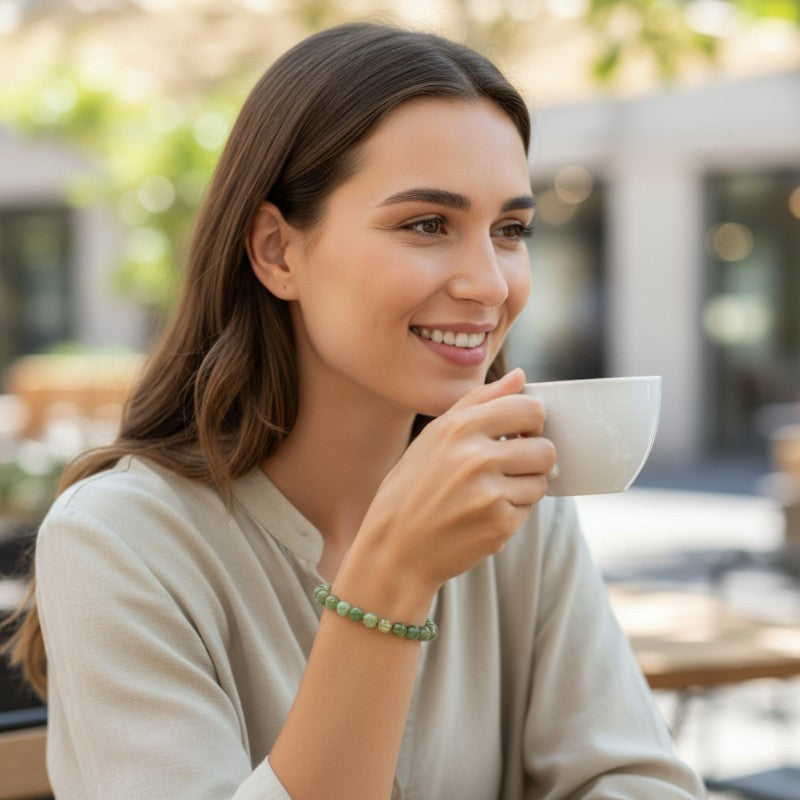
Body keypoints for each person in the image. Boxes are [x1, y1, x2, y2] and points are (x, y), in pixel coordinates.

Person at [5, 21, 705, 800]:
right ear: (276, 251)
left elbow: (639, 784)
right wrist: (390, 579)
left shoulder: (517, 502)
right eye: (426, 224)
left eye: (510, 230)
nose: (489, 283)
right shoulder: (118, 542)